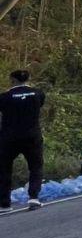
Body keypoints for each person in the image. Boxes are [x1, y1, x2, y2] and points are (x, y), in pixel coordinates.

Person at [0, 70, 46, 212]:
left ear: (12, 80)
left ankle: (4, 203)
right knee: (36, 166)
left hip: (9, 137)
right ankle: (33, 197)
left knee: (4, 169)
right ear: (28, 79)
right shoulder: (38, 93)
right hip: (32, 135)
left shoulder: (4, 97)